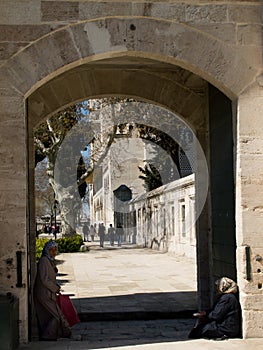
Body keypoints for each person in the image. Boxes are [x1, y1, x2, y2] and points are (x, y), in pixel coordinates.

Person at [34, 240, 71, 341]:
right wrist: (55, 288)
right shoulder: (44, 261)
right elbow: (44, 279)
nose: (54, 252)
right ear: (47, 250)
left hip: (49, 293)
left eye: (55, 250)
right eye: (51, 250)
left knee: (55, 314)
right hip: (45, 294)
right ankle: (48, 336)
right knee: (56, 315)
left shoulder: (50, 261)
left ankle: (54, 334)